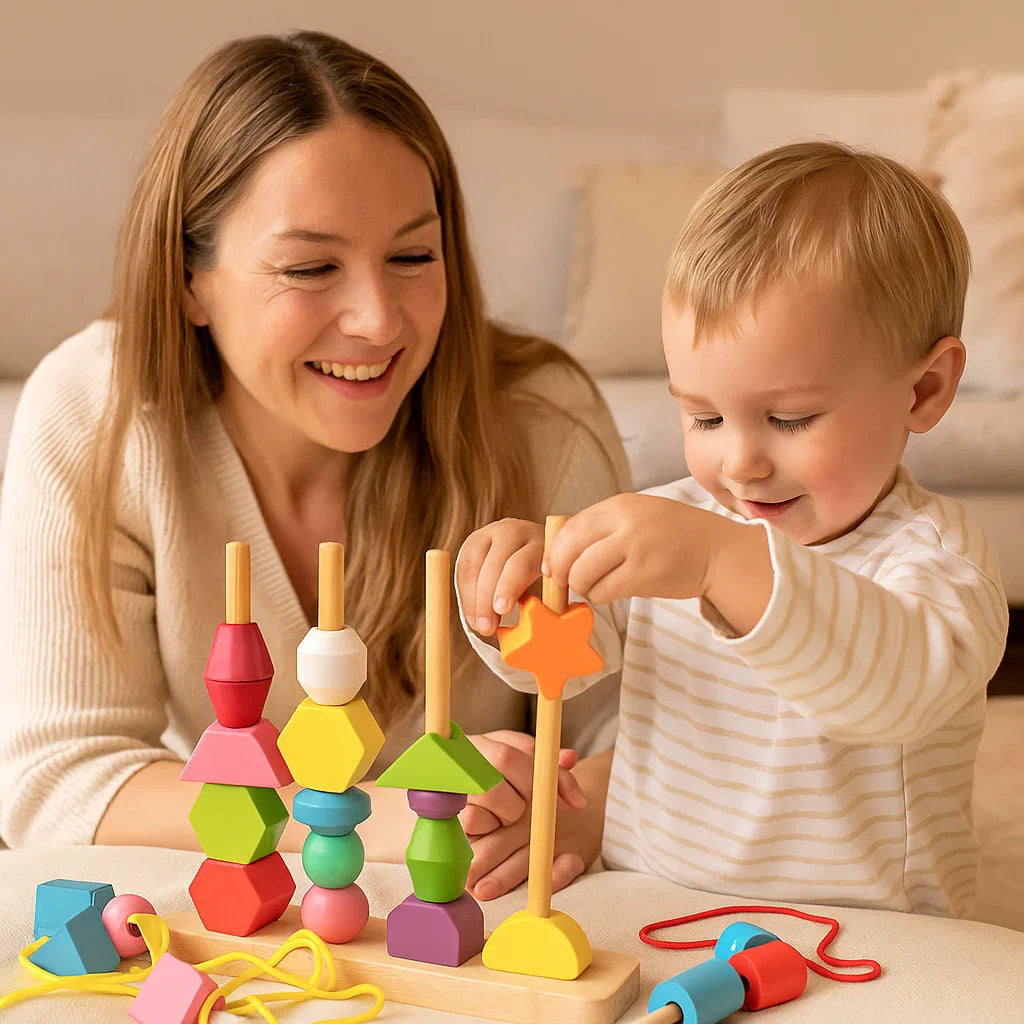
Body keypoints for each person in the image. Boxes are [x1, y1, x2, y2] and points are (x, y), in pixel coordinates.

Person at [0, 31, 631, 903]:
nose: (378, 320)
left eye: (414, 255)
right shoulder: (95, 413)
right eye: (309, 267)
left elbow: (645, 735)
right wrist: (383, 816)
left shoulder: (544, 422)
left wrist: (583, 809)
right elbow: (58, 781)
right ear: (189, 280)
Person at [456, 141, 1009, 917]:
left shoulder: (935, 563)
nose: (741, 463)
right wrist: (517, 593)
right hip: (649, 892)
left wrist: (725, 563)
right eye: (704, 416)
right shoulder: (679, 524)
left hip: (864, 932)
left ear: (923, 390)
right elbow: (569, 668)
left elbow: (891, 694)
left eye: (789, 418)